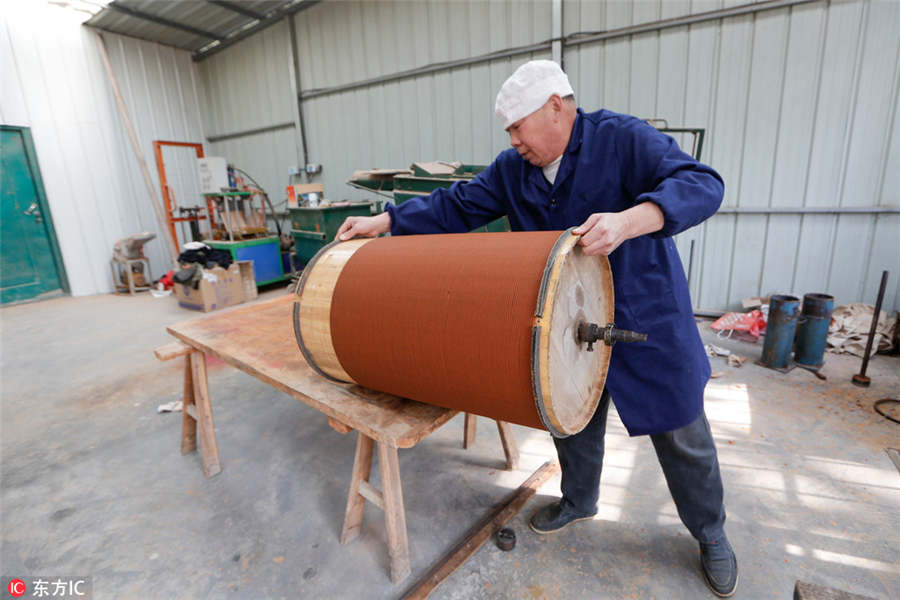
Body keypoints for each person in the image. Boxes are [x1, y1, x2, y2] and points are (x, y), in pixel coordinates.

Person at [335, 60, 737, 597]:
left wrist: (629, 221)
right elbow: (457, 205)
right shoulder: (512, 169)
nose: (513, 140)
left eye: (517, 127)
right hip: (567, 321)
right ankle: (578, 499)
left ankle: (711, 534)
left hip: (646, 316)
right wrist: (384, 222)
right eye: (508, 131)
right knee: (570, 417)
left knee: (681, 431)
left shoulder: (623, 139)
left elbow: (702, 183)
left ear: (555, 107)